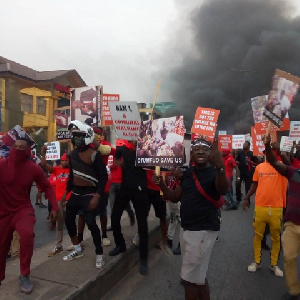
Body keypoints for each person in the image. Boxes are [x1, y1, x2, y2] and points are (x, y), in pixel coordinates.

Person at [153, 139, 228, 300]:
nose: (200, 152)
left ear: (210, 154)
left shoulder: (215, 172)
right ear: (191, 153)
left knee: (189, 280)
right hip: (187, 229)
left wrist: (220, 167)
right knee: (198, 277)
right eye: (197, 149)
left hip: (202, 231)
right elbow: (175, 197)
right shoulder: (187, 174)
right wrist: (162, 185)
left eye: (205, 149)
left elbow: (223, 189)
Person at [0, 138, 58, 294]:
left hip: (22, 210)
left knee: (26, 235)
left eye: (22, 147)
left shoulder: (33, 169)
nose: (17, 150)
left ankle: (24, 274)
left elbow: (47, 186)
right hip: (3, 211)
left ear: (27, 151)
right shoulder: (1, 165)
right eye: (15, 146)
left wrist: (55, 207)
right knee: (2, 245)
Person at [62, 120, 108, 269]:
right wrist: (66, 193)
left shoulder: (94, 155)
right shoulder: (73, 154)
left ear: (87, 136)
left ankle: (100, 254)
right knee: (68, 219)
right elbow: (71, 175)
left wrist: (97, 196)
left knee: (92, 225)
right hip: (75, 193)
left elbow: (103, 177)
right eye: (74, 135)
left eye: (79, 135)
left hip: (90, 194)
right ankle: (77, 249)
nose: (76, 138)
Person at [264, 134, 300, 300]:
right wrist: (268, 147)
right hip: (292, 225)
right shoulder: (294, 173)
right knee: (289, 257)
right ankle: (294, 291)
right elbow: (274, 162)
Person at [242, 151, 287, 277]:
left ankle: (274, 265)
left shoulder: (283, 167)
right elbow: (255, 184)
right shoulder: (259, 167)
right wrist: (246, 198)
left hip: (277, 207)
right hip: (260, 207)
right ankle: (257, 262)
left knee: (276, 237)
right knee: (258, 235)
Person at [109, 140, 150, 276]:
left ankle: (144, 258)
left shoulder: (145, 148)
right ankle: (120, 245)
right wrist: (117, 161)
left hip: (140, 189)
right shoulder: (122, 148)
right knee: (114, 217)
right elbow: (114, 154)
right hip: (125, 187)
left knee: (142, 224)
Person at [40, 147, 71, 257]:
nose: (64, 162)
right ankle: (59, 245)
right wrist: (44, 153)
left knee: (71, 223)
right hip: (58, 201)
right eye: (62, 160)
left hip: (70, 200)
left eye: (66, 160)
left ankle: (76, 243)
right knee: (59, 224)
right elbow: (44, 165)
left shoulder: (72, 170)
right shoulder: (57, 169)